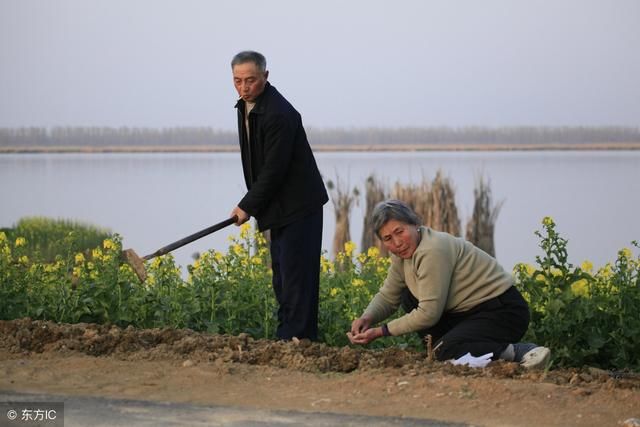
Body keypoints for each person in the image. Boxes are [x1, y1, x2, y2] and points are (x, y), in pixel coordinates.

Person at [347, 199, 551, 369]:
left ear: (415, 224)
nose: (397, 242)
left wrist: (381, 331)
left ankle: (519, 351)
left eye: (400, 231)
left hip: (503, 311)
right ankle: (448, 350)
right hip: (469, 313)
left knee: (445, 350)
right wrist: (367, 317)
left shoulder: (432, 249)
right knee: (408, 296)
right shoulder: (402, 256)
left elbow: (428, 313)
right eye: (388, 238)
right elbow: (388, 295)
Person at [229, 51, 328, 341]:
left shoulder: (279, 114)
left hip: (300, 207)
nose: (244, 87)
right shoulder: (245, 106)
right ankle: (288, 339)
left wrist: (247, 205)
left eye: (250, 80)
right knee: (282, 279)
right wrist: (254, 204)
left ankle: (299, 341)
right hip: (278, 207)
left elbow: (274, 169)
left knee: (297, 280)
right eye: (237, 81)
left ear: (265, 77)